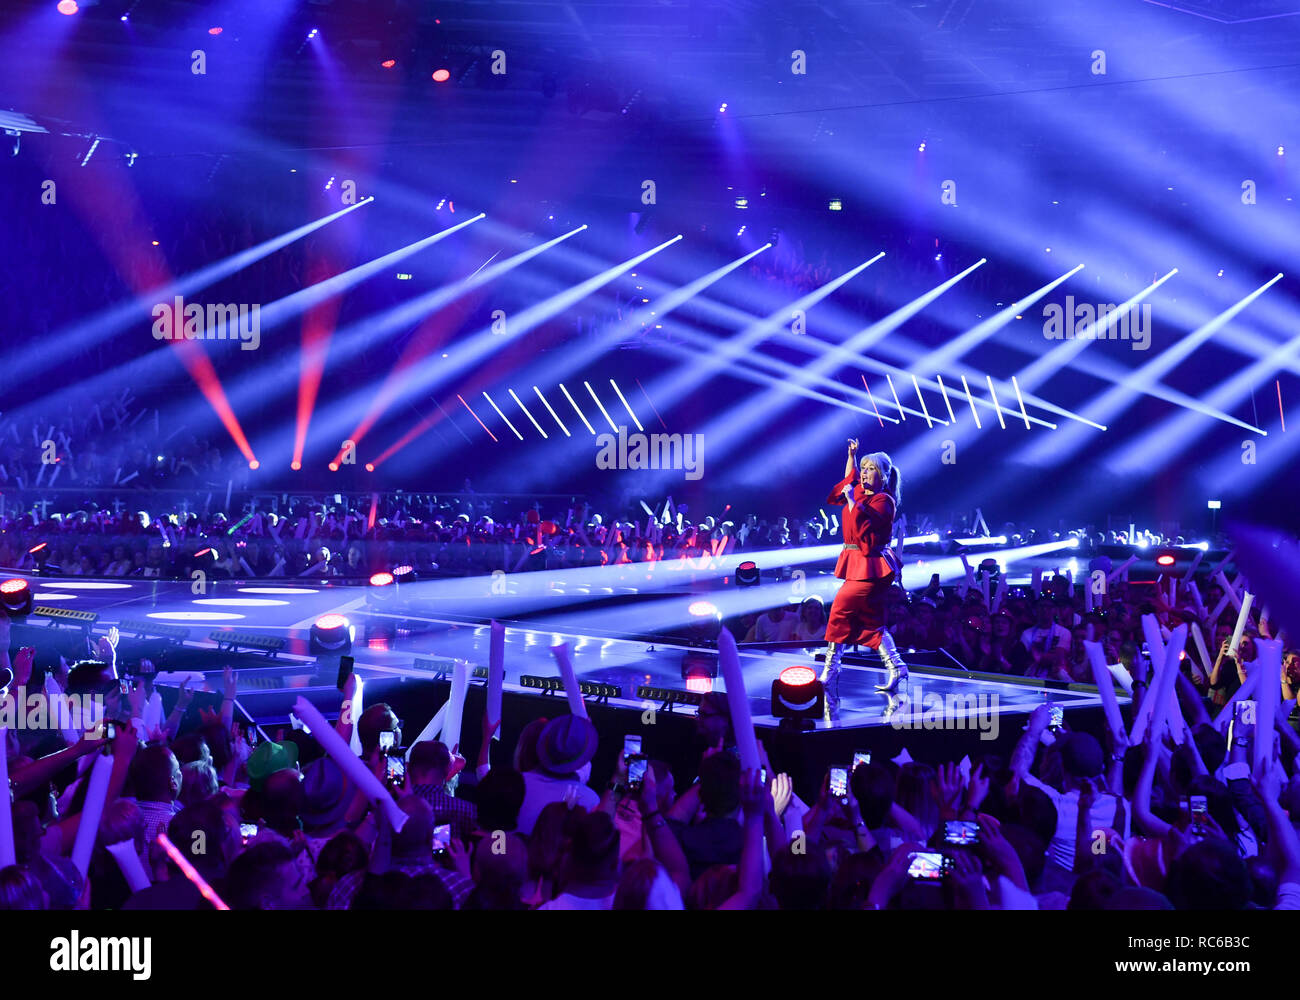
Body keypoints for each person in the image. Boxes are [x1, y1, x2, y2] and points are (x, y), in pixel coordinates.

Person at [820, 438, 906, 719]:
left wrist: (853, 500)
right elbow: (847, 480)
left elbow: (862, 523)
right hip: (857, 562)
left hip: (871, 565)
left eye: (871, 469)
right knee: (869, 621)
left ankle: (831, 670)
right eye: (864, 468)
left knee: (839, 610)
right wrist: (852, 457)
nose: (865, 473)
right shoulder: (858, 491)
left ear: (882, 476)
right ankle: (896, 667)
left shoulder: (883, 501)